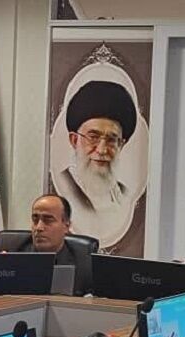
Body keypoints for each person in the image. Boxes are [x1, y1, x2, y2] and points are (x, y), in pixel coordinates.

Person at [54, 80, 137, 248]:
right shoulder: (64, 186)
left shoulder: (124, 195)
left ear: (121, 144)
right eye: (93, 137)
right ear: (74, 140)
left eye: (111, 140)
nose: (102, 150)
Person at [0, 194, 96, 295]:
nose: (39, 227)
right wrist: (0, 273)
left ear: (66, 226)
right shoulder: (11, 251)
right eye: (35, 220)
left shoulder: (85, 263)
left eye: (48, 220)